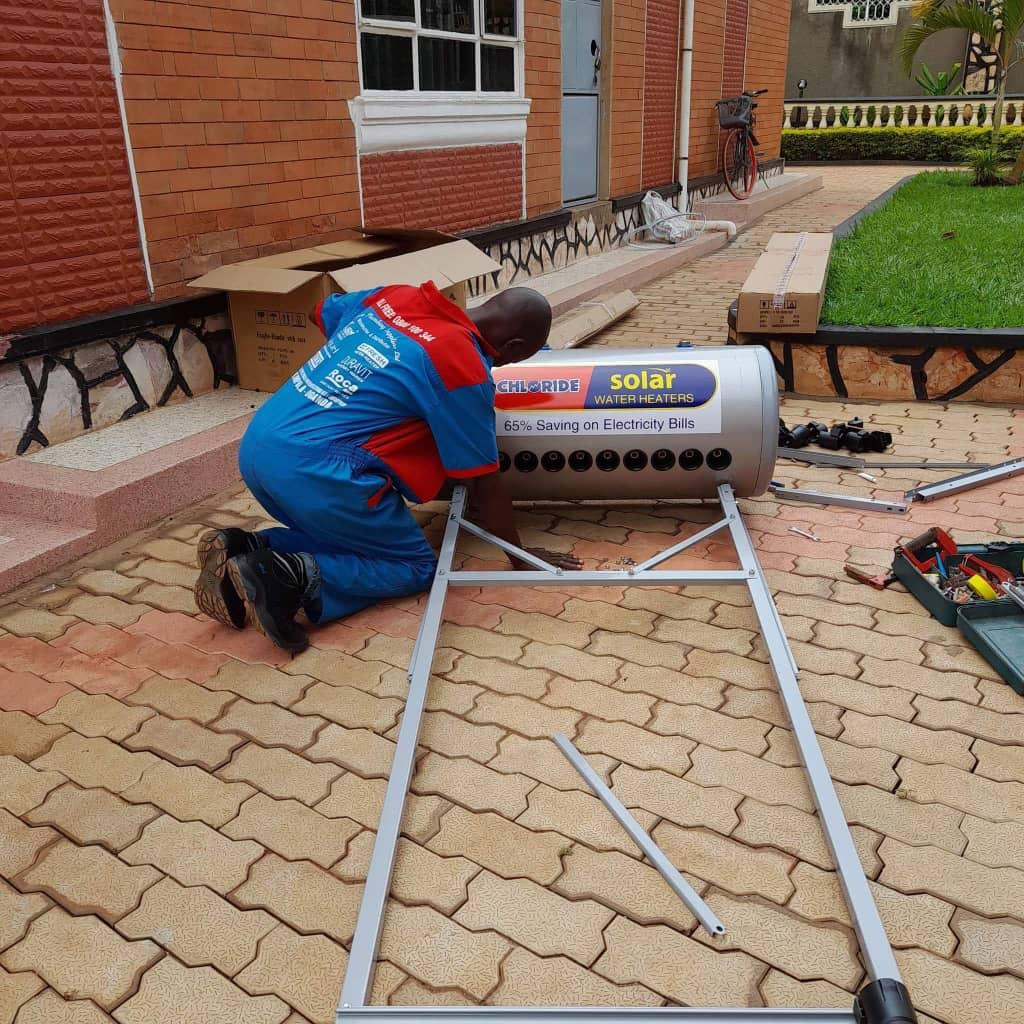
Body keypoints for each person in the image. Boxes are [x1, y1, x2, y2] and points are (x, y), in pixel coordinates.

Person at [193, 281, 581, 652]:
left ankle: (248, 548)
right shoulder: (460, 365)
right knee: (411, 566)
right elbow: (484, 479)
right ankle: (289, 576)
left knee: (353, 539)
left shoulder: (397, 298)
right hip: (316, 473)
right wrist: (522, 557)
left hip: (260, 445)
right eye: (515, 358)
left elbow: (321, 313)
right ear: (512, 346)